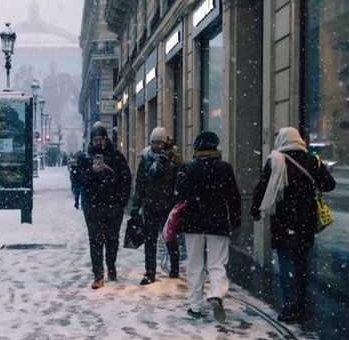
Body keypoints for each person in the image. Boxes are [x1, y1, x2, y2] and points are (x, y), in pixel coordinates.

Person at [250, 127, 336, 324]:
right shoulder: (312, 160)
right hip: (306, 221)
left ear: (281, 140)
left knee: (287, 263)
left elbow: (262, 188)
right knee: (302, 263)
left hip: (283, 220)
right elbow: (329, 185)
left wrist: (255, 211)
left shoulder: (275, 160)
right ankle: (303, 306)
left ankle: (290, 307)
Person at [174, 131, 241, 321]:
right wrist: (235, 222)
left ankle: (195, 307)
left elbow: (178, 196)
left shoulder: (188, 168)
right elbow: (233, 197)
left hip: (193, 223)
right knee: (217, 263)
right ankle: (216, 294)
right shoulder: (224, 168)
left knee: (194, 265)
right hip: (218, 222)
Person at [76, 125, 133, 289]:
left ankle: (111, 265)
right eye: (95, 140)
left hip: (113, 205)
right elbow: (79, 181)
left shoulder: (116, 157)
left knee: (112, 239)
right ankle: (98, 275)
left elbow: (126, 179)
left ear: (106, 139)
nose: (99, 143)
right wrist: (91, 171)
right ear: (91, 141)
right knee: (95, 240)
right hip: (92, 206)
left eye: (101, 139)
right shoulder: (85, 159)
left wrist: (122, 201)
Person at [130, 127, 184, 285]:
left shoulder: (175, 159)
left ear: (165, 142)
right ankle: (150, 272)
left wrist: (177, 199)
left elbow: (181, 181)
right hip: (150, 206)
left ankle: (174, 268)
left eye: (159, 143)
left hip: (169, 206)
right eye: (154, 142)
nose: (156, 146)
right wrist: (136, 205)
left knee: (170, 238)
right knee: (150, 239)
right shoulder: (146, 159)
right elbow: (140, 184)